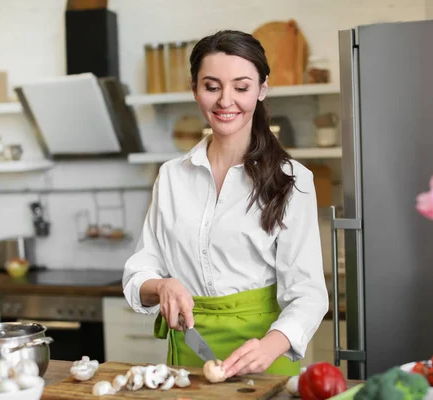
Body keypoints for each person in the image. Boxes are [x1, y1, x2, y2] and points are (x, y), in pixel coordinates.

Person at [122, 29, 329, 377]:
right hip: (188, 355)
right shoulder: (172, 176)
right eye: (212, 86)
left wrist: (269, 347)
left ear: (262, 89)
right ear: (195, 89)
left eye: (241, 87)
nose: (225, 100)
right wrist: (162, 286)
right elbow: (140, 270)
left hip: (263, 353)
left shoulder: (292, 179)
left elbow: (308, 294)